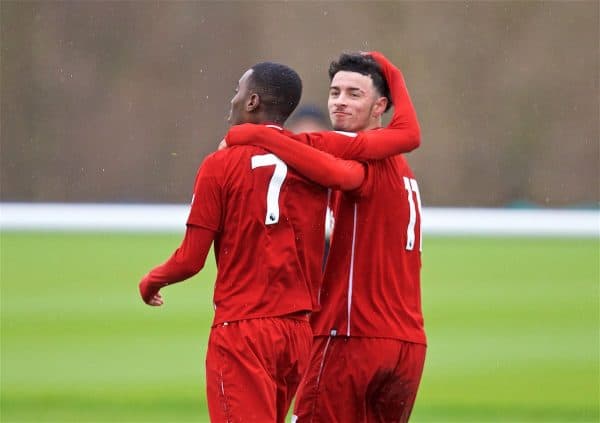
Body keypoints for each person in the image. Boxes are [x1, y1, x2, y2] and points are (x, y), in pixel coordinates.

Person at [137, 62, 367, 422]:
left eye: (237, 91)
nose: (232, 100)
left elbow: (190, 259)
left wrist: (151, 280)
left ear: (253, 101)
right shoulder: (315, 165)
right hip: (296, 333)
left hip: (242, 329)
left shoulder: (220, 164)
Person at [223, 52, 426, 422]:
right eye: (335, 92)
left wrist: (249, 135)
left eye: (354, 94)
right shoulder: (398, 160)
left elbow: (326, 166)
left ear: (380, 105)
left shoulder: (365, 156)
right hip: (407, 345)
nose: (340, 102)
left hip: (350, 334)